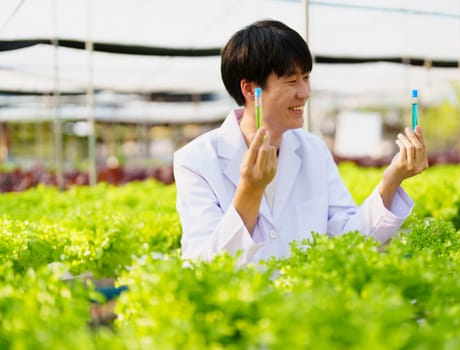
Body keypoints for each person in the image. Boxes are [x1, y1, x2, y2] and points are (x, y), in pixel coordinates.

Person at [173, 19, 428, 266]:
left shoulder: (313, 150)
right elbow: (202, 267)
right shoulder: (196, 161)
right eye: (292, 81)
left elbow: (349, 240)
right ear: (251, 90)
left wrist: (392, 180)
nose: (305, 93)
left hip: (307, 306)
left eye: (306, 78)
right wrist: (250, 190)